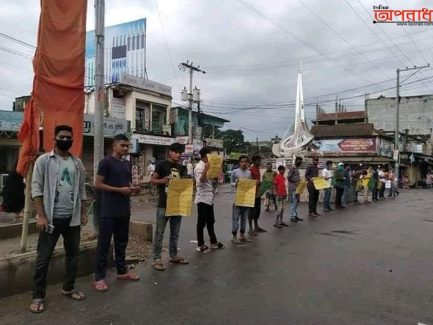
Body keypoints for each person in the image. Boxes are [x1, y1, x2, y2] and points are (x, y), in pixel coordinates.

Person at [29, 125, 87, 313]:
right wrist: (41, 215)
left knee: (72, 256)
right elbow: (36, 189)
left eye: (68, 137)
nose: (65, 139)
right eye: (62, 137)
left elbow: (82, 191)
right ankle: (38, 296)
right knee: (43, 259)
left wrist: (84, 212)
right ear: (54, 139)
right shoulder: (44, 161)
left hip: (72, 219)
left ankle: (68, 288)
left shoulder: (77, 163)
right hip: (51, 219)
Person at [93, 134, 140, 292]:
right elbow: (98, 184)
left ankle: (121, 271)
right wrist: (119, 190)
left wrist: (133, 188)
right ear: (114, 146)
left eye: (127, 146)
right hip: (108, 210)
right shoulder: (105, 162)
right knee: (104, 245)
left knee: (122, 243)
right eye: (122, 145)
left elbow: (126, 183)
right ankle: (99, 277)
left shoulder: (127, 163)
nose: (126, 148)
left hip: (124, 210)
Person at [151, 142, 189, 271]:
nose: (178, 155)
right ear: (170, 152)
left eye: (180, 153)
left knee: (175, 233)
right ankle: (156, 259)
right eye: (176, 152)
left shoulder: (182, 168)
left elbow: (184, 186)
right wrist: (163, 181)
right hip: (163, 204)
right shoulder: (161, 164)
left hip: (177, 205)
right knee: (159, 232)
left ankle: (173, 255)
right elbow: (153, 180)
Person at [194, 147, 224, 253]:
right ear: (206, 155)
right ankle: (200, 244)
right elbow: (200, 182)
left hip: (209, 197)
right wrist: (206, 170)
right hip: (202, 198)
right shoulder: (199, 167)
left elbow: (211, 180)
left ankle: (213, 241)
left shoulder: (210, 165)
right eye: (212, 155)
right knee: (201, 222)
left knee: (211, 221)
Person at [231, 155, 252, 244]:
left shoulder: (249, 173)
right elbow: (230, 183)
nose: (244, 163)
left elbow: (250, 184)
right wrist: (235, 184)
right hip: (237, 198)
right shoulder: (235, 172)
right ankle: (234, 236)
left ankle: (242, 235)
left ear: (247, 163)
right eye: (242, 161)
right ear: (239, 163)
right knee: (236, 218)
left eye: (245, 162)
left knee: (244, 218)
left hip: (246, 199)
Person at [248, 155, 266, 235]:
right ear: (254, 161)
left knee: (257, 211)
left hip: (258, 193)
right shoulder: (250, 170)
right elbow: (249, 181)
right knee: (251, 211)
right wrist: (255, 182)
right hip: (252, 193)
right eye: (258, 161)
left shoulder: (257, 169)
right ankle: (250, 228)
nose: (260, 162)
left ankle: (256, 226)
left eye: (260, 160)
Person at [287, 156, 303, 222]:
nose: (300, 163)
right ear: (296, 161)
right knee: (293, 202)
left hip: (297, 188)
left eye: (301, 162)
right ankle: (292, 217)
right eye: (299, 161)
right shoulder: (292, 168)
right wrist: (295, 182)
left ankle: (295, 215)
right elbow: (288, 177)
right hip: (293, 188)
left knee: (296, 202)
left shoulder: (296, 168)